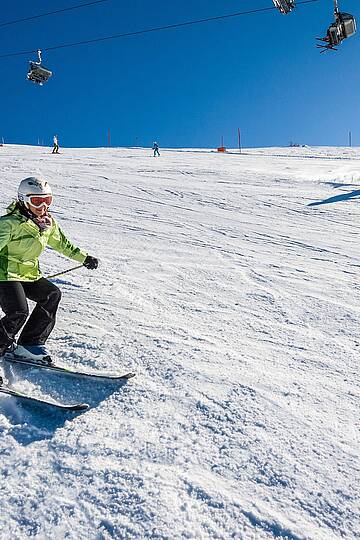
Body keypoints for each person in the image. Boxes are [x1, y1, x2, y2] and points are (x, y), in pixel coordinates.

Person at [0, 176, 98, 365]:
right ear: (23, 200)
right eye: (37, 201)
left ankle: (29, 344)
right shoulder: (8, 224)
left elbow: (63, 245)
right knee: (18, 311)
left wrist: (85, 257)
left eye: (47, 200)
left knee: (51, 294)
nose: (43, 206)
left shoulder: (47, 224)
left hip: (29, 273)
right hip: (4, 274)